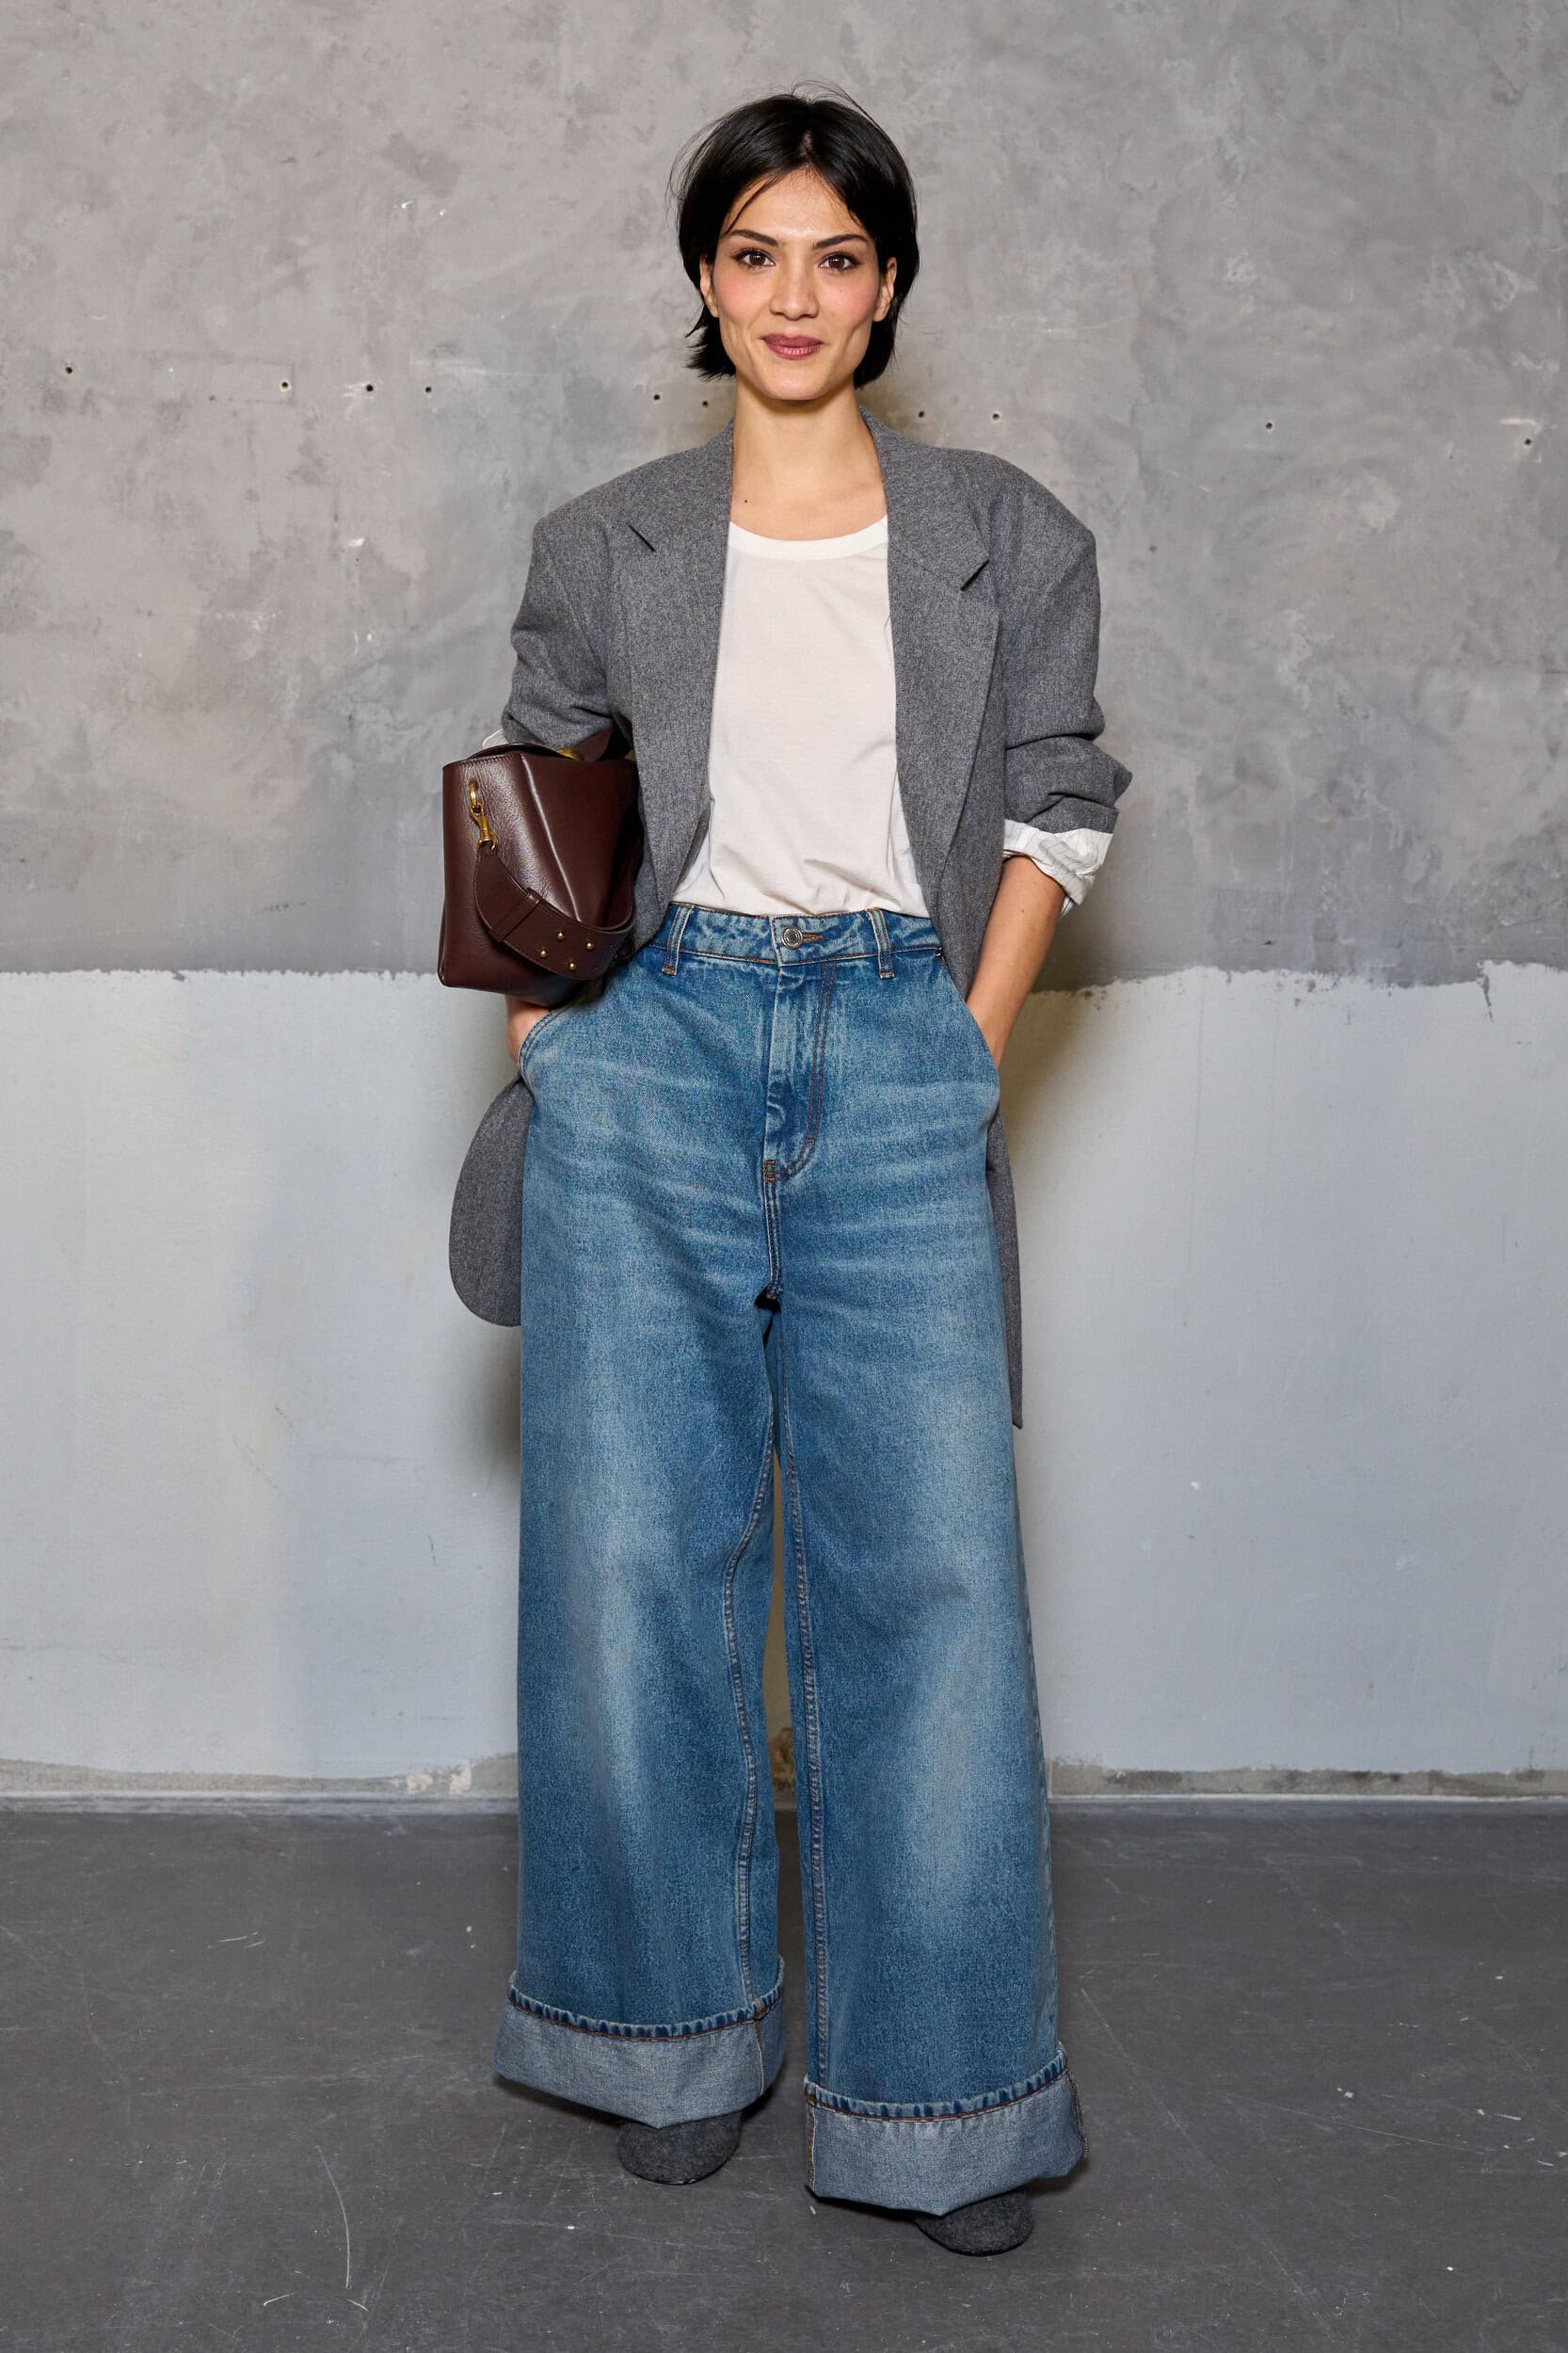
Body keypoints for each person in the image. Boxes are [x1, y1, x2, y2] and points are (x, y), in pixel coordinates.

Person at [452, 88, 1131, 2257]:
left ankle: (944, 2101)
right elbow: (538, 802)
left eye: (834, 255)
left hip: (896, 1031)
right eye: (754, 252)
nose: (793, 294)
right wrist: (551, 1038)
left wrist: (966, 1039)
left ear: (887, 280)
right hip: (656, 1039)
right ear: (704, 278)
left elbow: (1057, 795)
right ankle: (662, 2034)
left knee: (924, 1581)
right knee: (633, 1560)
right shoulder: (607, 538)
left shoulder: (1004, 530)